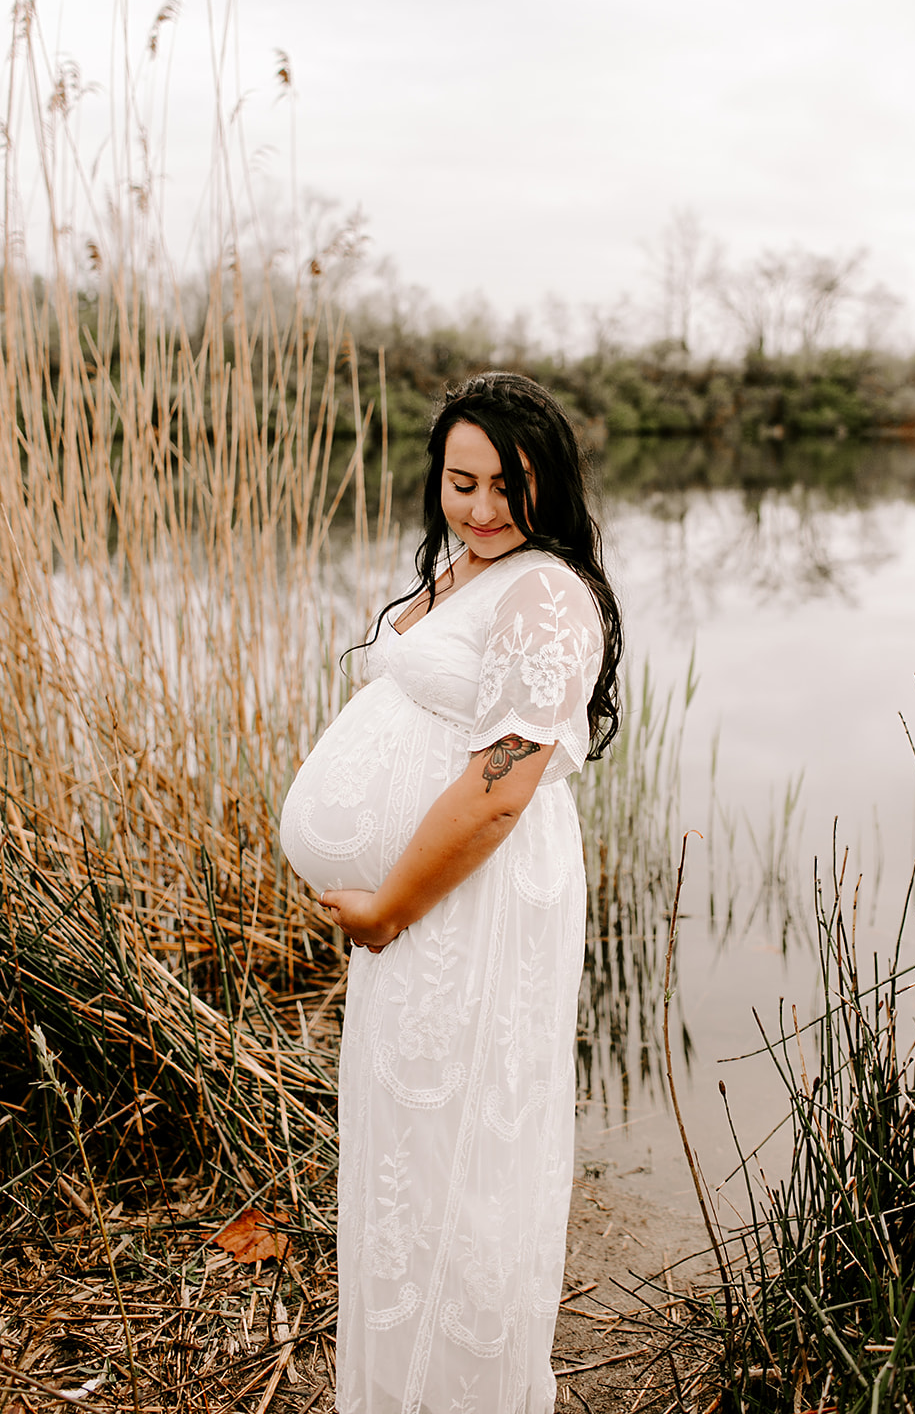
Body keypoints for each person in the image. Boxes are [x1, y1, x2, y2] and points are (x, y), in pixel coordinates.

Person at [279, 372, 623, 1414]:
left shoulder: (547, 593)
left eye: (504, 486)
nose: (478, 509)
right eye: (458, 481)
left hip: (469, 897)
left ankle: (467, 1388)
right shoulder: (463, 569)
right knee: (409, 1143)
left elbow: (501, 785)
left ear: (547, 484)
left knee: (470, 1137)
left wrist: (389, 906)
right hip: (424, 905)